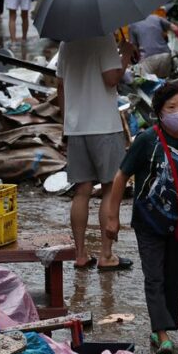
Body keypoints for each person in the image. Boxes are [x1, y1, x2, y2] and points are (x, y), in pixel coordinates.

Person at [105, 84, 178, 354]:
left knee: (174, 277)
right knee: (155, 276)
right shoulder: (147, 140)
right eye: (171, 108)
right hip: (149, 221)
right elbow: (120, 177)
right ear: (159, 111)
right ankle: (162, 334)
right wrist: (113, 218)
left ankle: (161, 327)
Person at [55, 34, 134, 272]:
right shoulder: (103, 37)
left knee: (82, 190)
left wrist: (66, 123)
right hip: (104, 127)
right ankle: (106, 255)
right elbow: (111, 78)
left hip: (76, 127)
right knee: (110, 187)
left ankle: (80, 254)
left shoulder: (66, 42)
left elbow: (60, 85)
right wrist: (126, 54)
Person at [128, 12, 178, 78]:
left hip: (147, 59)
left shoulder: (132, 25)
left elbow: (134, 47)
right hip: (164, 55)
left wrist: (137, 60)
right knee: (165, 84)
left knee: (147, 82)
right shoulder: (156, 18)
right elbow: (176, 29)